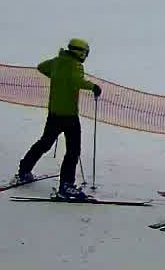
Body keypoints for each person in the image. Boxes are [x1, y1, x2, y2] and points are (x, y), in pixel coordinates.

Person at [16, 38, 102, 199]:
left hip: (54, 113)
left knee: (45, 143)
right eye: (85, 53)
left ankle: (24, 170)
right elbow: (76, 80)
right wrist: (93, 87)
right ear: (80, 52)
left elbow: (41, 67)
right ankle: (66, 185)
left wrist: (57, 77)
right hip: (69, 115)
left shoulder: (57, 62)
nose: (85, 56)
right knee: (73, 150)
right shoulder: (75, 65)